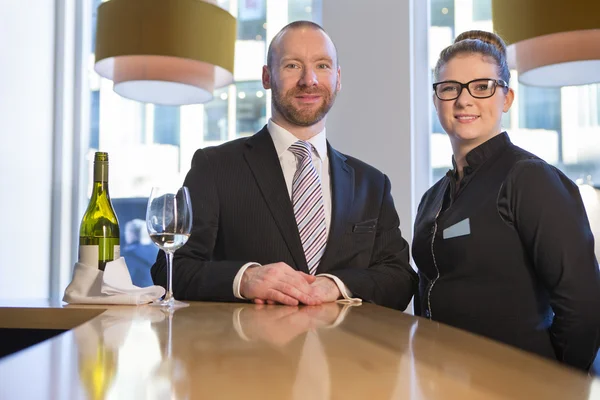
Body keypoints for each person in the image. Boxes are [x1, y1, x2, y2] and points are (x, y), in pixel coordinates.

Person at [151, 21, 417, 310]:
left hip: (345, 353)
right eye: (292, 66)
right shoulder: (214, 167)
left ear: (338, 78)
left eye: (323, 66)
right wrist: (245, 279)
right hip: (247, 352)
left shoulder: (372, 184)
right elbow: (169, 271)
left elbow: (400, 279)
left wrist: (337, 285)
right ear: (267, 77)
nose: (309, 80)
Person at [412, 30, 600, 371]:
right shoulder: (432, 198)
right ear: (437, 98)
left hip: (518, 382)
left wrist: (555, 381)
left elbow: (583, 303)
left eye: (482, 86)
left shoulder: (529, 179)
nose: (464, 100)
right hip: (441, 378)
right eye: (450, 87)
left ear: (507, 98)